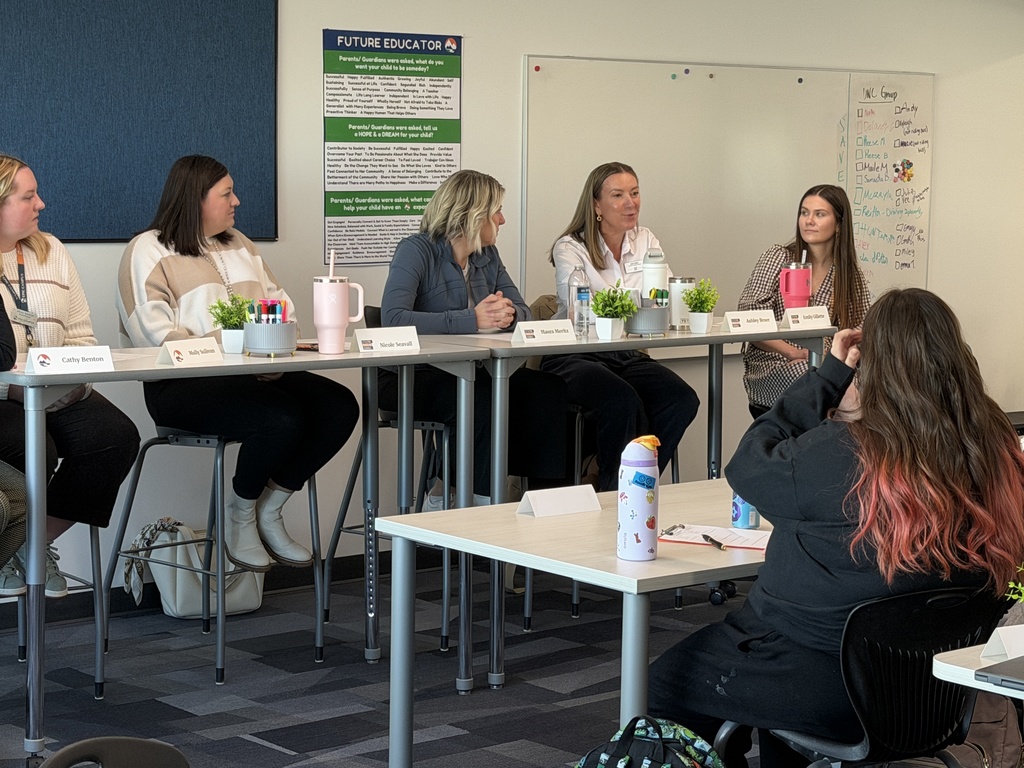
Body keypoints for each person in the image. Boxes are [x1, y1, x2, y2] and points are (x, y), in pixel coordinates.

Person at [647, 288, 1024, 768]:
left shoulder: (844, 453)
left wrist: (828, 375)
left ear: (875, 366)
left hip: (823, 686)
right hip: (931, 695)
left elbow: (748, 462)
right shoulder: (994, 448)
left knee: (663, 686)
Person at [117, 155, 359, 571]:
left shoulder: (241, 244)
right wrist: (241, 352)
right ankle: (239, 515)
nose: (237, 201)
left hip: (257, 374)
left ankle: (267, 508)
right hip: (180, 387)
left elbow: (283, 308)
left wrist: (269, 348)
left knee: (339, 405)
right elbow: (154, 335)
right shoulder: (147, 250)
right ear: (196, 199)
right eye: (227, 193)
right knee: (280, 418)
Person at [380, 169, 567, 504]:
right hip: (412, 377)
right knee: (482, 400)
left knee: (546, 389)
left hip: (474, 371)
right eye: (496, 211)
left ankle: (541, 502)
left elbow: (522, 311)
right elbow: (393, 319)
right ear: (472, 214)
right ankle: (478, 504)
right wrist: (473, 319)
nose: (503, 219)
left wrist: (506, 314)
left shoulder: (487, 255)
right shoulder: (416, 250)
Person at [0, 154, 140, 598]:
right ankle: (10, 548)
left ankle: (31, 546)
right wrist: (15, 385)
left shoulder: (51, 251)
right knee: (39, 448)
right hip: (6, 394)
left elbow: (81, 335)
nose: (41, 203)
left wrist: (70, 378)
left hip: (56, 388)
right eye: (28, 197)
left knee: (116, 436)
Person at [542, 162, 699, 491]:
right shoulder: (571, 246)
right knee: (622, 400)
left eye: (635, 193)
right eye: (618, 195)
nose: (631, 203)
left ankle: (639, 484)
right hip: (572, 356)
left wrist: (632, 307)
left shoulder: (645, 239)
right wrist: (638, 307)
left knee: (681, 398)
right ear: (596, 205)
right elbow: (578, 311)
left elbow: (661, 298)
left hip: (624, 353)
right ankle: (616, 496)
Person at [738, 184, 870, 418]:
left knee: (866, 385)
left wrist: (839, 358)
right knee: (812, 377)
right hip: (776, 363)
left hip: (827, 363)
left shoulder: (848, 275)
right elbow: (749, 316)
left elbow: (860, 328)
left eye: (819, 214)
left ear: (839, 224)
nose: (809, 220)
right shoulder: (779, 257)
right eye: (804, 212)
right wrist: (792, 352)